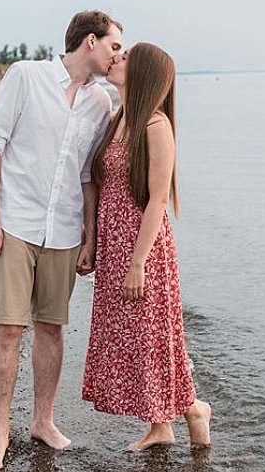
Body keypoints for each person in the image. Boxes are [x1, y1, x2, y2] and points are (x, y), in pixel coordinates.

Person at [0, 10, 123, 470]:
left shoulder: (100, 103)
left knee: (52, 328)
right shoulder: (26, 76)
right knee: (7, 328)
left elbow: (86, 175)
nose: (119, 55)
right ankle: (0, 431)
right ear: (91, 42)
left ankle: (42, 421)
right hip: (14, 223)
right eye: (115, 46)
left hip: (62, 231)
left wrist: (90, 237)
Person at [81, 42, 212, 451]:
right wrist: (94, 242)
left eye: (125, 58)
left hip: (144, 250)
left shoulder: (155, 125)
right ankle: (161, 426)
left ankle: (193, 410)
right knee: (135, 338)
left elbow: (157, 199)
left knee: (153, 337)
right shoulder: (118, 118)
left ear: (143, 75)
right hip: (117, 247)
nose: (116, 59)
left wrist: (137, 263)